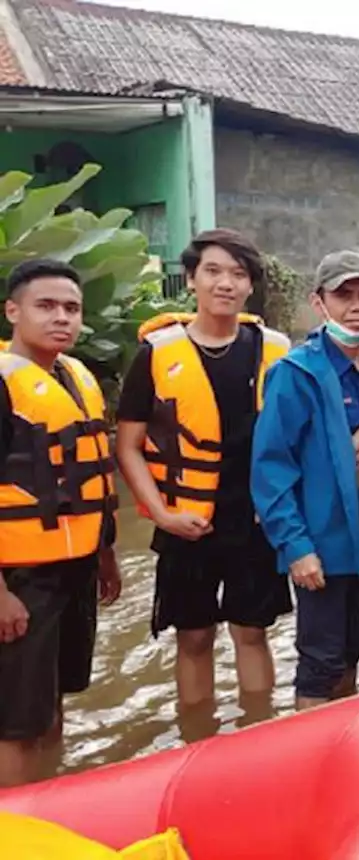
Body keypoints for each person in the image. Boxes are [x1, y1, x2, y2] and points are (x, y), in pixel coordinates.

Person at [115, 229, 293, 713]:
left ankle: (257, 733)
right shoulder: (156, 354)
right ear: (191, 279)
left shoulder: (276, 350)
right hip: (185, 520)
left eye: (238, 274)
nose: (226, 284)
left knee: (252, 633)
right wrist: (160, 515)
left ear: (251, 286)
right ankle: (197, 738)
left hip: (255, 520)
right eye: (213, 271)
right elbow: (128, 447)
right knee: (193, 638)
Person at [251, 250, 359, 711]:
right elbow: (271, 469)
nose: (357, 307)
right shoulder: (294, 374)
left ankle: (344, 738)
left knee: (354, 646)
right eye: (344, 296)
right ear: (320, 304)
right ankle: (313, 761)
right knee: (318, 661)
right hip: (321, 543)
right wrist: (296, 547)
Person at [0, 259, 120, 787]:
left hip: (74, 569)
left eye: (71, 308)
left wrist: (105, 554)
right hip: (21, 578)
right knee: (16, 721)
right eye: (45, 306)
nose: (61, 318)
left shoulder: (74, 377)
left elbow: (88, 482)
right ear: (13, 311)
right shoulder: (5, 386)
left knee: (50, 706)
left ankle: (48, 807)